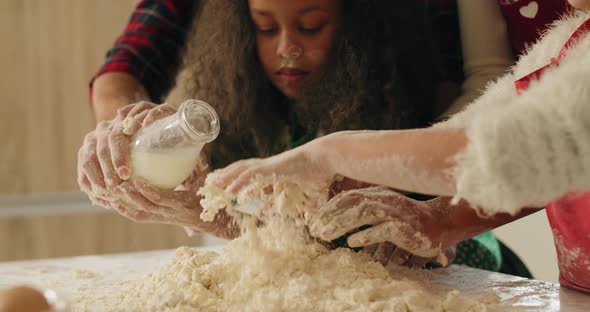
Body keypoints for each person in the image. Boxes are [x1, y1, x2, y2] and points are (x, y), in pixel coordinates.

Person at [79, 0, 527, 271]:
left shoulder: (404, 76)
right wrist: (130, 135)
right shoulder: (276, 116)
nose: (287, 48)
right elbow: (128, 66)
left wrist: (397, 175)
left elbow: (497, 98)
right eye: (265, 27)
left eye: (311, 25)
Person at [215, 0, 590, 293]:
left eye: (311, 26)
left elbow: (517, 149)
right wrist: (440, 219)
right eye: (264, 27)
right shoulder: (573, 38)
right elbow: (498, 132)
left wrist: (328, 154)